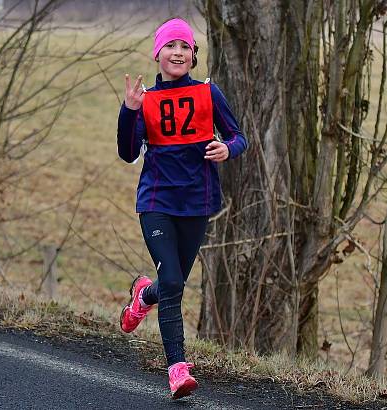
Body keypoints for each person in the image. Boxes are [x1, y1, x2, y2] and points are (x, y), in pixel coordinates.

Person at [115, 17, 247, 399]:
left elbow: (239, 137)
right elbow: (127, 153)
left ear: (193, 56)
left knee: (171, 284)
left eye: (185, 47)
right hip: (157, 201)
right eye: (170, 46)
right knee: (172, 283)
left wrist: (228, 149)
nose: (177, 53)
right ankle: (177, 369)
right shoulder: (147, 100)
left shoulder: (208, 93)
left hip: (198, 202)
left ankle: (143, 296)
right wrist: (129, 110)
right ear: (158, 54)